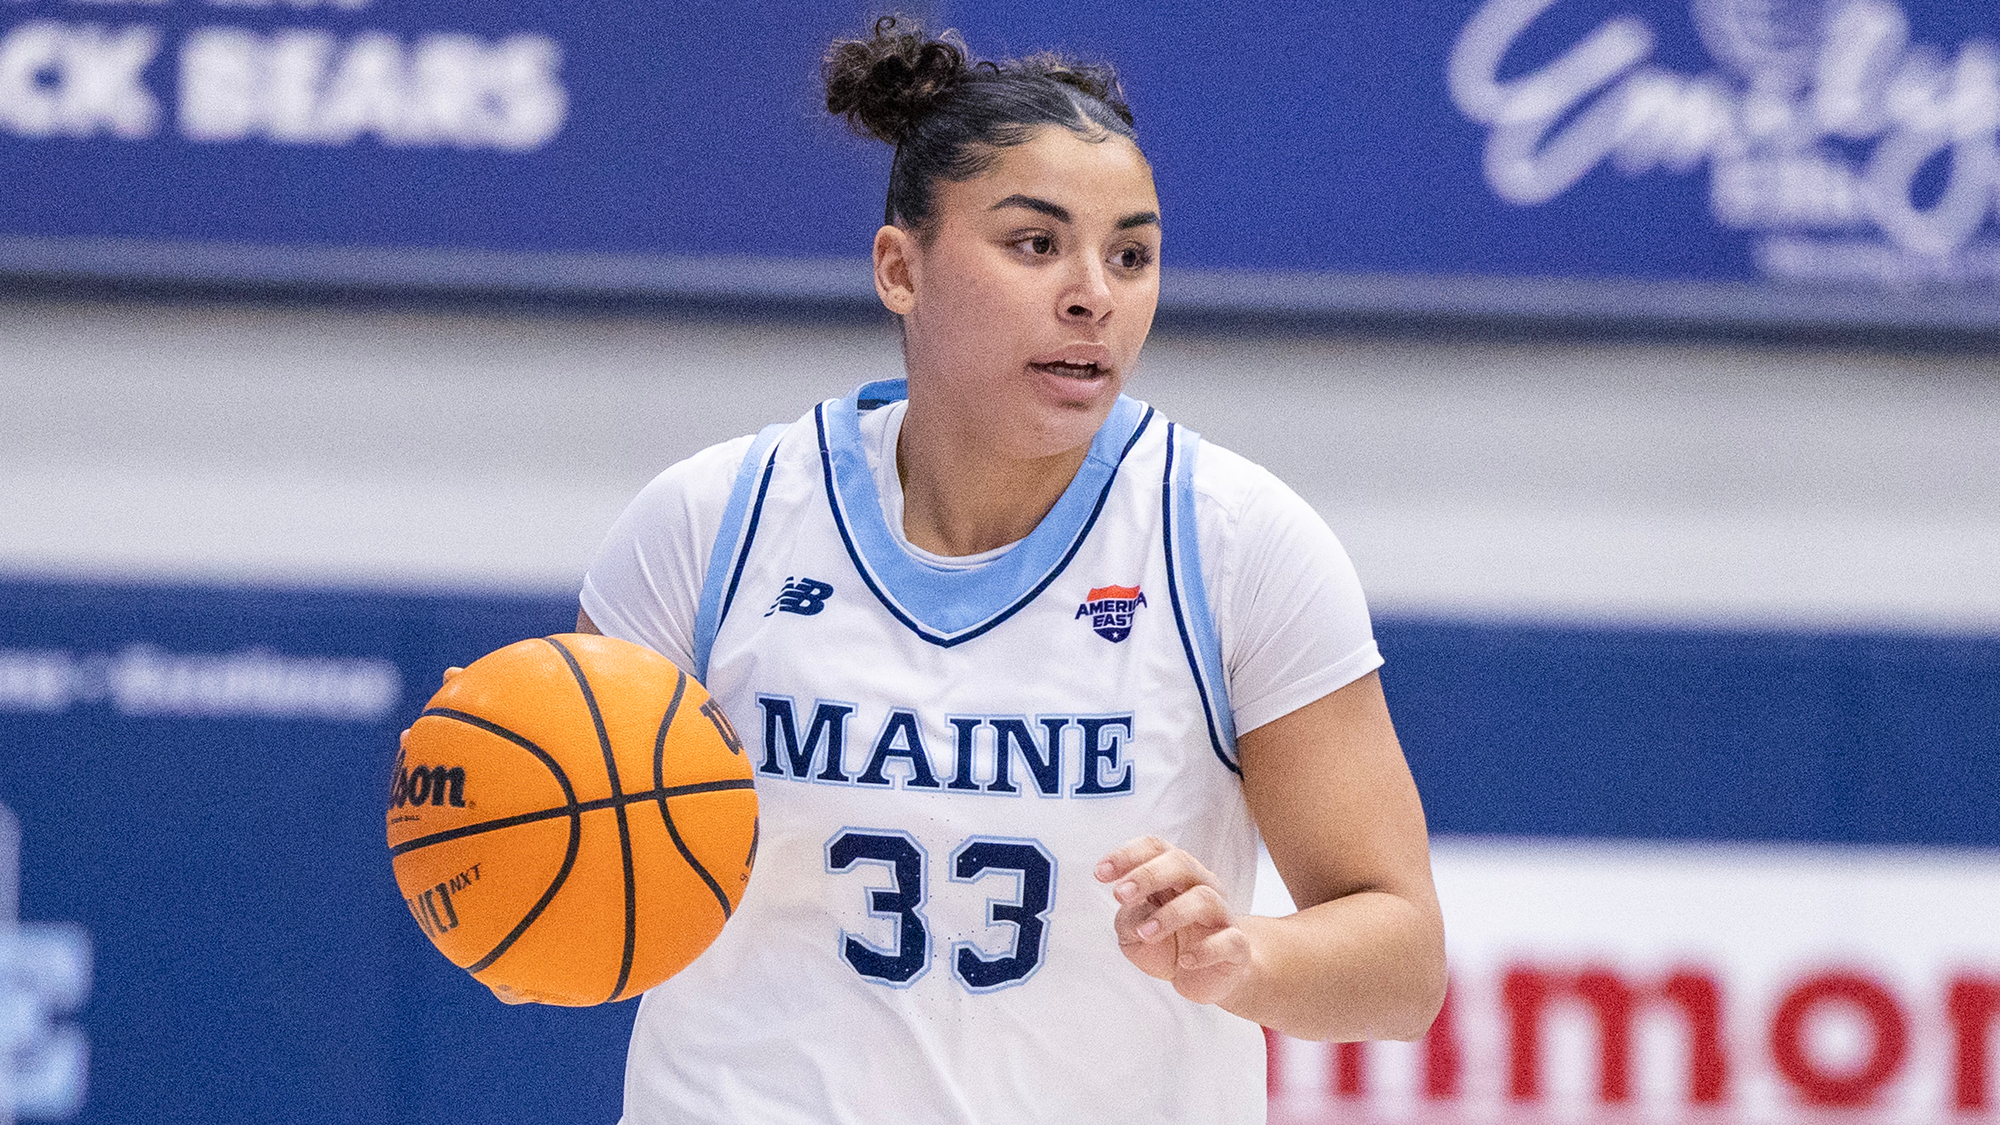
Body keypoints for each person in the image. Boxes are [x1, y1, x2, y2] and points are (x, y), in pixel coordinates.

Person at [575, 16, 1444, 1123]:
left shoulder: (1234, 543)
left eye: (1130, 255)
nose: (1093, 293)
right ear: (900, 267)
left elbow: (1403, 960)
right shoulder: (708, 526)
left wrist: (1247, 958)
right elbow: (572, 856)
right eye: (1035, 245)